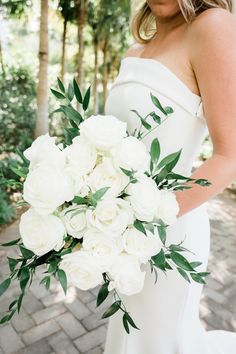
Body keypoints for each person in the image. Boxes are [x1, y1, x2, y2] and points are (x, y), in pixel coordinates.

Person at [103, 1, 236, 353]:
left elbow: (229, 155)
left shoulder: (214, 26)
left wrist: (146, 218)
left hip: (169, 234)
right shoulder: (136, 50)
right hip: (121, 235)